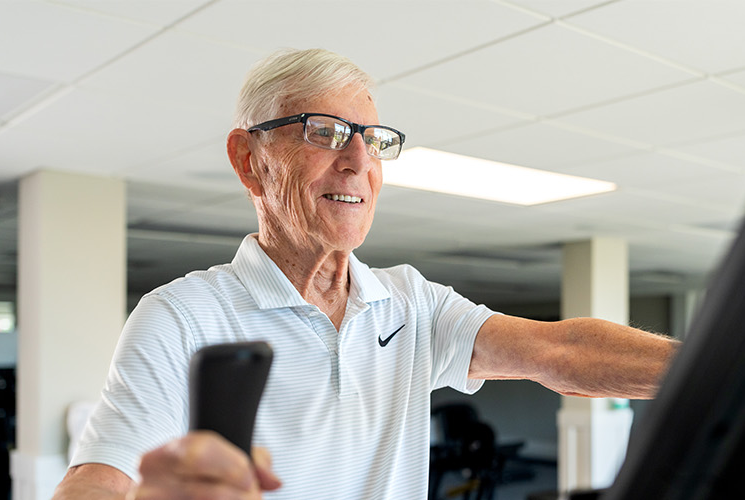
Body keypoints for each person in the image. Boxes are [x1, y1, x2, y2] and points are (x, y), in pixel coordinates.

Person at [54, 48, 679, 499]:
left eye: (373, 139)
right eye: (323, 133)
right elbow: (99, 479)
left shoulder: (411, 304)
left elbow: (559, 351)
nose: (358, 160)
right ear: (249, 162)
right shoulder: (181, 316)